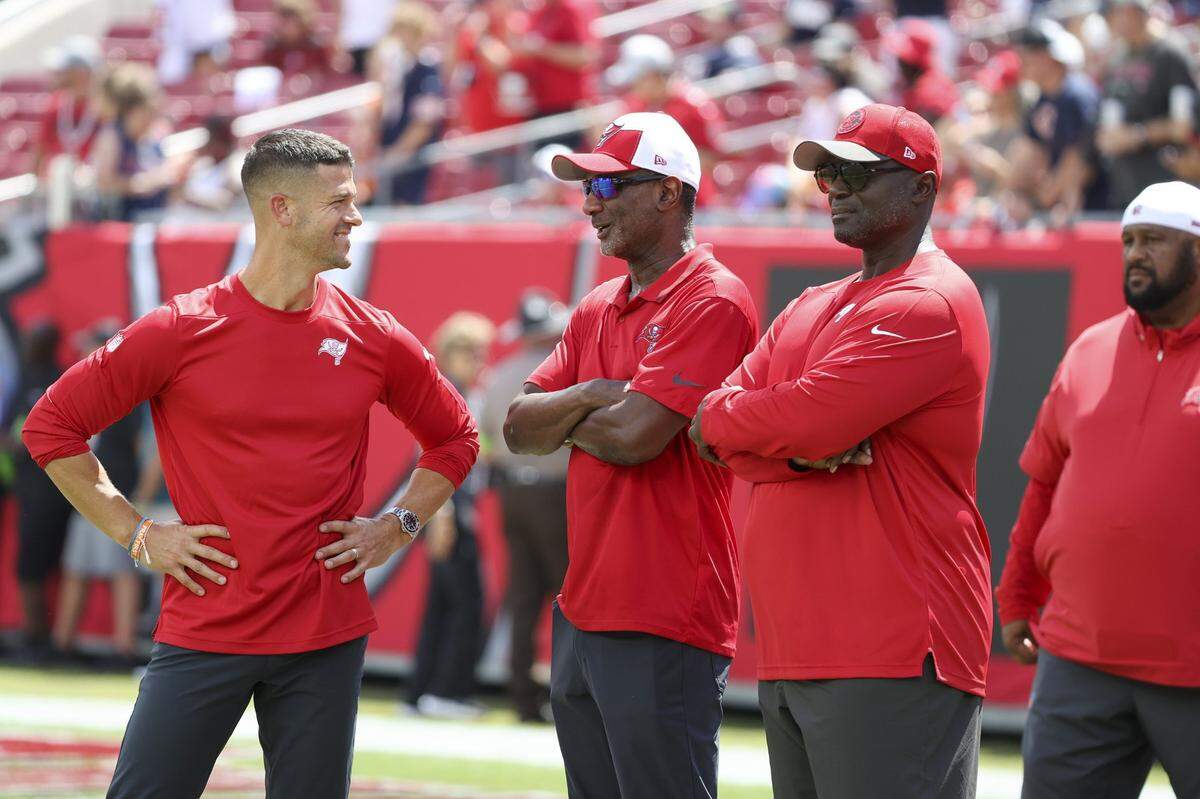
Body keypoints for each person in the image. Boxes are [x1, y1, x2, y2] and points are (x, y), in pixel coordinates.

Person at [20, 128, 478, 798]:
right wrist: (138, 535)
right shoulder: (181, 328)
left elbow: (457, 438)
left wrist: (398, 524)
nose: (356, 215)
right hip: (206, 624)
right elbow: (50, 428)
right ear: (281, 210)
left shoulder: (372, 334)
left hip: (325, 633)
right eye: (340, 201)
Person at [690, 104, 991, 799]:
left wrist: (782, 433)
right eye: (827, 174)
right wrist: (794, 451)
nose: (837, 187)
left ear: (922, 187)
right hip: (801, 642)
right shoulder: (812, 303)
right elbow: (710, 423)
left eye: (858, 172)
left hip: (893, 643)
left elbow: (801, 419)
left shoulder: (928, 300)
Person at [504, 111, 758, 797]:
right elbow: (519, 429)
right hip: (585, 606)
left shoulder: (713, 298)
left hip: (665, 610)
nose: (591, 202)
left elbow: (634, 438)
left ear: (668, 193)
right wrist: (594, 391)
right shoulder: (597, 305)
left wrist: (572, 417)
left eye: (610, 186)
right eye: (590, 187)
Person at [996, 180, 1200, 799]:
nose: (1136, 254)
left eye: (1155, 241)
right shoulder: (1089, 349)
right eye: (1129, 241)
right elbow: (1043, 485)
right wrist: (1016, 595)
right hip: (1078, 660)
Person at [479, 289, 570, 723]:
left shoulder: (499, 376)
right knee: (570, 596)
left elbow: (486, 441)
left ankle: (522, 697)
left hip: (514, 491)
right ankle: (573, 693)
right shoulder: (560, 375)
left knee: (524, 594)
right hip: (554, 492)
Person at [51, 325, 162, 668]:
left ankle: (123, 648)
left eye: (92, 347)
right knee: (76, 568)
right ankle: (61, 646)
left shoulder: (125, 393)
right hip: (85, 493)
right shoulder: (85, 390)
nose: (86, 355)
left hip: (115, 495)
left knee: (121, 572)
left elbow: (145, 450)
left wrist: (138, 497)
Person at [406, 311, 495, 719]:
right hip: (448, 506)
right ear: (452, 353)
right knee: (466, 603)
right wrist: (439, 517)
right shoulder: (447, 393)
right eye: (473, 352)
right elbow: (430, 459)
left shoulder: (459, 392)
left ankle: (420, 692)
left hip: (448, 505)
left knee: (441, 603)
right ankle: (446, 691)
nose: (480, 360)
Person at [2, 323, 74, 664]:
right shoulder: (48, 377)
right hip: (43, 490)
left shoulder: (44, 381)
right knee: (38, 567)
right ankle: (38, 636)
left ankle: (38, 637)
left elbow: (23, 434)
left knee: (31, 567)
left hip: (46, 491)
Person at [1098, 0, 1197, 208]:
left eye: (1121, 12)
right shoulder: (1116, 60)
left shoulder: (1170, 54)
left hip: (1167, 187)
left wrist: (1137, 135)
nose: (1115, 21)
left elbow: (1182, 127)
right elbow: (1108, 125)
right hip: (1125, 187)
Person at [1007, 20, 1103, 227]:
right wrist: (1017, 194)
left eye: (1029, 54)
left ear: (1046, 56)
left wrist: (1044, 199)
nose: (1022, 62)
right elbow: (1030, 151)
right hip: (1063, 205)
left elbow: (1080, 157)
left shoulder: (1076, 95)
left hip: (1092, 205)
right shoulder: (1043, 100)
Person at [607, 35, 725, 200]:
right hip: (650, 202)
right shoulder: (635, 105)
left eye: (638, 80)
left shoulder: (694, 105)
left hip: (690, 201)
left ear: (655, 75)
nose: (634, 87)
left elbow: (709, 159)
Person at [368, 0, 446, 205]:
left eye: (402, 31)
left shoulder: (428, 69)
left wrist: (397, 154)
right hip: (392, 151)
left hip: (411, 160)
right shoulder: (399, 67)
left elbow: (424, 121)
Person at [90, 63, 188, 221]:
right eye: (148, 111)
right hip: (122, 224)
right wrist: (143, 183)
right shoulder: (112, 135)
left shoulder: (149, 140)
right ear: (132, 110)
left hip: (153, 220)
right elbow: (104, 182)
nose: (151, 119)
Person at [511, 0, 597, 148]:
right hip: (541, 107)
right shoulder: (541, 10)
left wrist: (541, 49)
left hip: (568, 110)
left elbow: (584, 55)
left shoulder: (572, 7)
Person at [33, 36, 102, 176]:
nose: (58, 75)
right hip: (56, 187)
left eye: (66, 70)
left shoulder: (104, 109)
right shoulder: (54, 104)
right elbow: (40, 150)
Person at [886, 19, 959, 124]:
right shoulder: (915, 83)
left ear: (911, 62)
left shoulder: (930, 88)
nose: (899, 63)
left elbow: (934, 128)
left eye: (902, 59)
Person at [263, 0, 338, 77]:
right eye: (284, 19)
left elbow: (328, 75)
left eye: (291, 19)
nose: (287, 25)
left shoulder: (317, 47)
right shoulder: (272, 48)